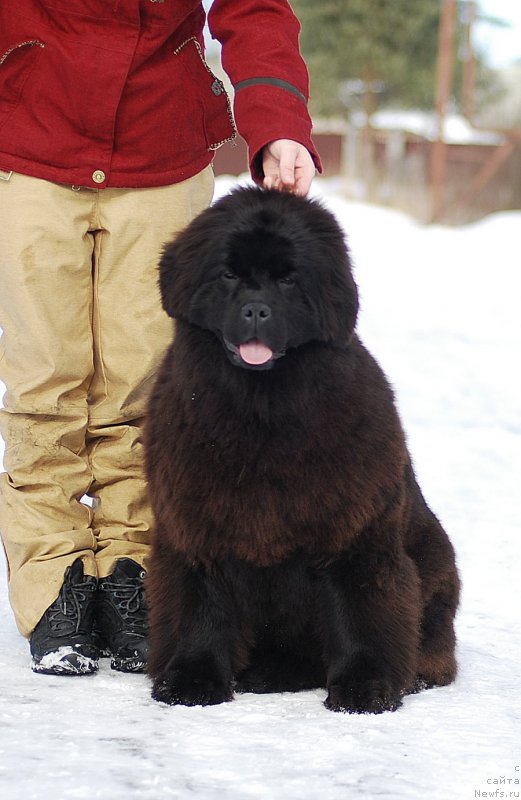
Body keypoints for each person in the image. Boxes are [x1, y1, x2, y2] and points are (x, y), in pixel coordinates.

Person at [0, 0, 320, 676]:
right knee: (45, 382)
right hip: (28, 133)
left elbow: (255, 9)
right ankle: (53, 582)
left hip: (160, 144)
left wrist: (278, 126)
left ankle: (134, 573)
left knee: (145, 388)